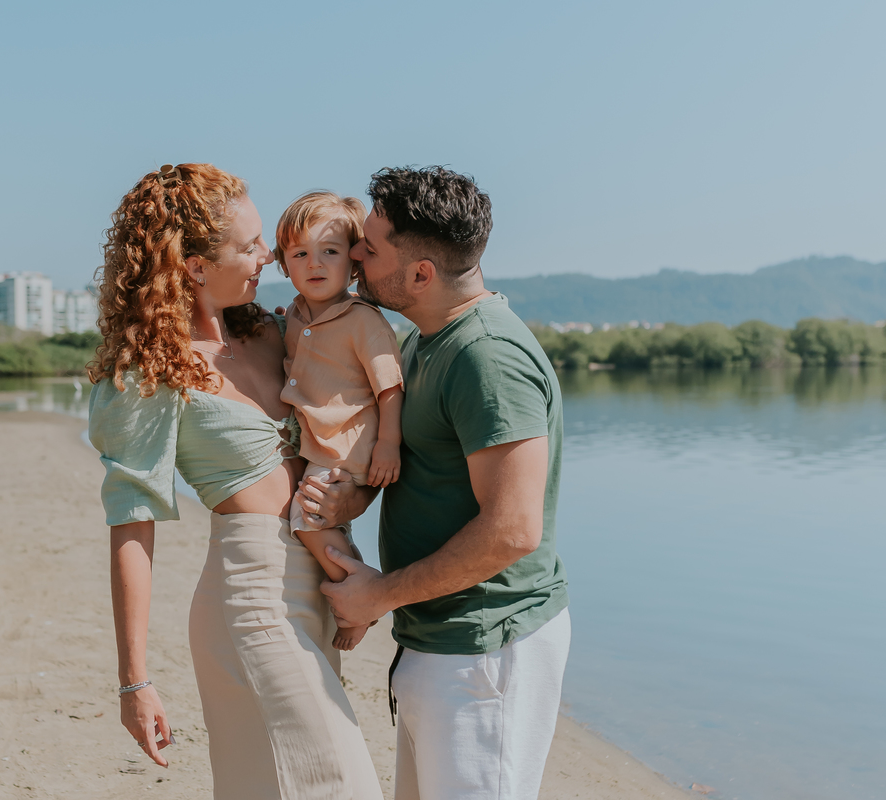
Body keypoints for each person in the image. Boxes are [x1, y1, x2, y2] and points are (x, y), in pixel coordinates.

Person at [88, 164, 383, 799]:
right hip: (249, 596)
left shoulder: (278, 332)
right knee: (338, 782)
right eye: (249, 245)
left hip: (317, 578)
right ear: (193, 267)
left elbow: (345, 433)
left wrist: (354, 515)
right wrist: (134, 681)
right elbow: (131, 528)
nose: (269, 255)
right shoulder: (148, 375)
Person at [308, 166, 571, 800]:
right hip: (439, 641)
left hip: (484, 648)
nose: (356, 260)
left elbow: (512, 530)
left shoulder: (487, 356)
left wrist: (379, 596)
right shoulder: (426, 342)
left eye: (369, 250)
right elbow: (423, 463)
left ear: (421, 273)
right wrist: (359, 494)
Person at [274, 191, 405, 652]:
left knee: (309, 520)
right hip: (321, 443)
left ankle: (359, 598)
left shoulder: (362, 320)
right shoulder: (290, 315)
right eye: (300, 253)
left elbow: (389, 385)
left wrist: (389, 444)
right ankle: (354, 583)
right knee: (316, 519)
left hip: (350, 443)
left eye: (329, 251)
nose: (315, 263)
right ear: (283, 264)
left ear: (353, 264)